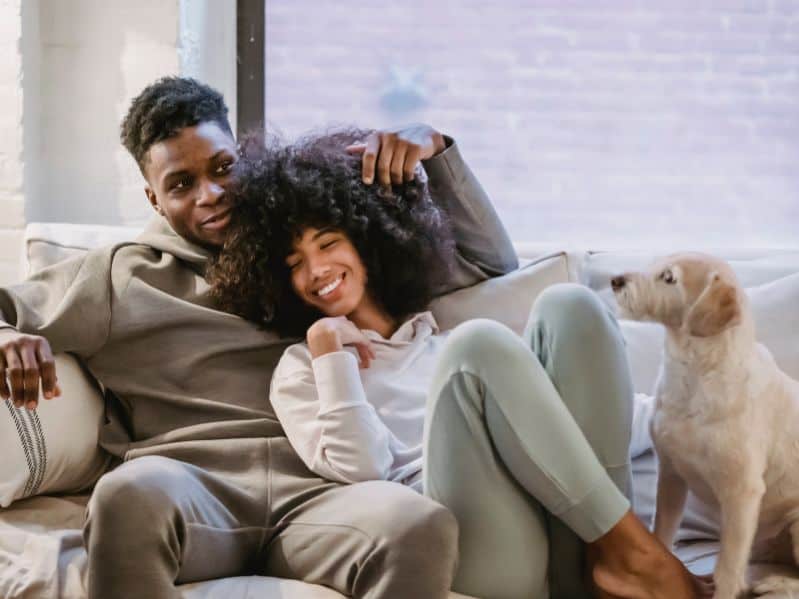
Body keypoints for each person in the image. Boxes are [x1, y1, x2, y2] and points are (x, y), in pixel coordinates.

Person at [0, 77, 519, 598]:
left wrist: (434, 149)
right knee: (126, 493)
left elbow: (487, 264)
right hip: (192, 488)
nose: (211, 194)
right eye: (180, 184)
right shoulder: (118, 277)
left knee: (416, 522)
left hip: (323, 494)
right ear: (153, 199)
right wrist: (5, 335)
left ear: (244, 157)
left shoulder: (305, 255)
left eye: (224, 167)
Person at [208, 131, 715, 599]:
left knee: (571, 307)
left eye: (327, 242)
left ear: (366, 237)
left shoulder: (439, 339)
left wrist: (716, 421)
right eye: (294, 264)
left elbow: (599, 422)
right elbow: (362, 470)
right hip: (479, 544)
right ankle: (634, 554)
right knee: (479, 348)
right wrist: (330, 355)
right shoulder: (305, 367)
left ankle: (611, 563)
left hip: (562, 528)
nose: (317, 270)